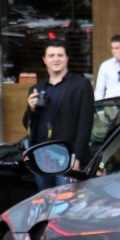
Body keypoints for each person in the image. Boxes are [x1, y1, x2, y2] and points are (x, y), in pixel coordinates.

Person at [23, 41, 93, 190]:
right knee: (46, 203)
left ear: (67, 58)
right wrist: (31, 109)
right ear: (44, 60)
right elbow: (27, 123)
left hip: (66, 156)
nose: (56, 59)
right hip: (41, 156)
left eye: (60, 55)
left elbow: (85, 125)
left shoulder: (81, 85)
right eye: (51, 55)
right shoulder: (36, 88)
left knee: (65, 202)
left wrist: (77, 158)